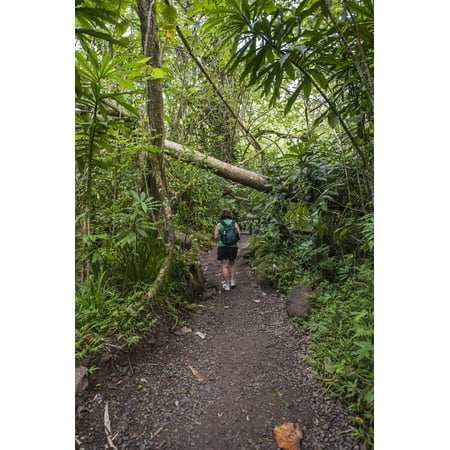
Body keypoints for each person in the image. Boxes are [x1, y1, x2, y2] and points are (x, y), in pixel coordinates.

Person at [214, 208, 241, 291]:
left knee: (224, 265)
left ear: (222, 215)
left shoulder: (219, 224)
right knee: (232, 263)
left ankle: (227, 284)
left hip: (222, 246)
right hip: (233, 246)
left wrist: (221, 238)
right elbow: (239, 235)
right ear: (230, 214)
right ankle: (232, 281)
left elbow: (215, 237)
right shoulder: (234, 223)